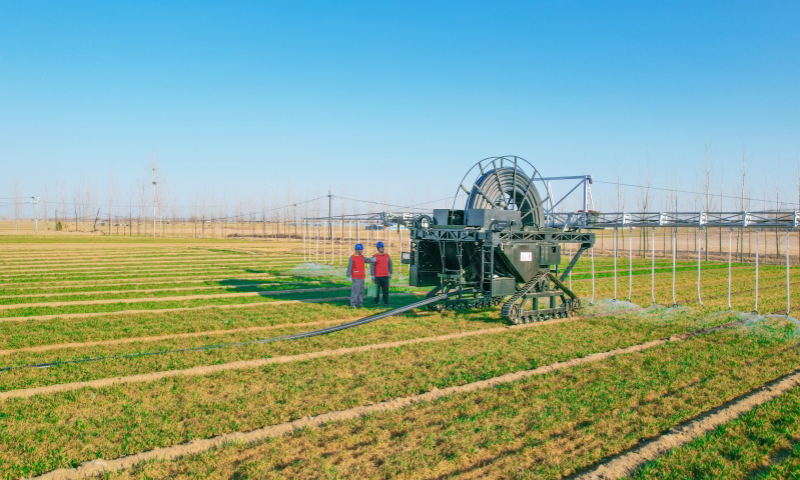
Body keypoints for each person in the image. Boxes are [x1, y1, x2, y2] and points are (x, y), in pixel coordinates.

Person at [346, 243, 374, 308]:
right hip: (356, 277)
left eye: (362, 250)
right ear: (356, 250)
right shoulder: (352, 258)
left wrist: (372, 260)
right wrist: (348, 275)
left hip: (362, 277)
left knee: (361, 291)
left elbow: (367, 260)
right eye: (360, 250)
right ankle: (353, 303)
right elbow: (349, 267)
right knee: (355, 291)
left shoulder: (362, 257)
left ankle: (359, 303)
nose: (361, 251)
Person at [370, 240, 393, 306]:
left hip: (385, 276)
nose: (382, 249)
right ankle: (376, 302)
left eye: (383, 247)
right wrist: (372, 274)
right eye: (381, 248)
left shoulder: (387, 256)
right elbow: (372, 265)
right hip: (377, 276)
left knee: (385, 291)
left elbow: (390, 264)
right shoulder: (375, 256)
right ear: (378, 249)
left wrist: (390, 272)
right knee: (376, 290)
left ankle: (386, 302)